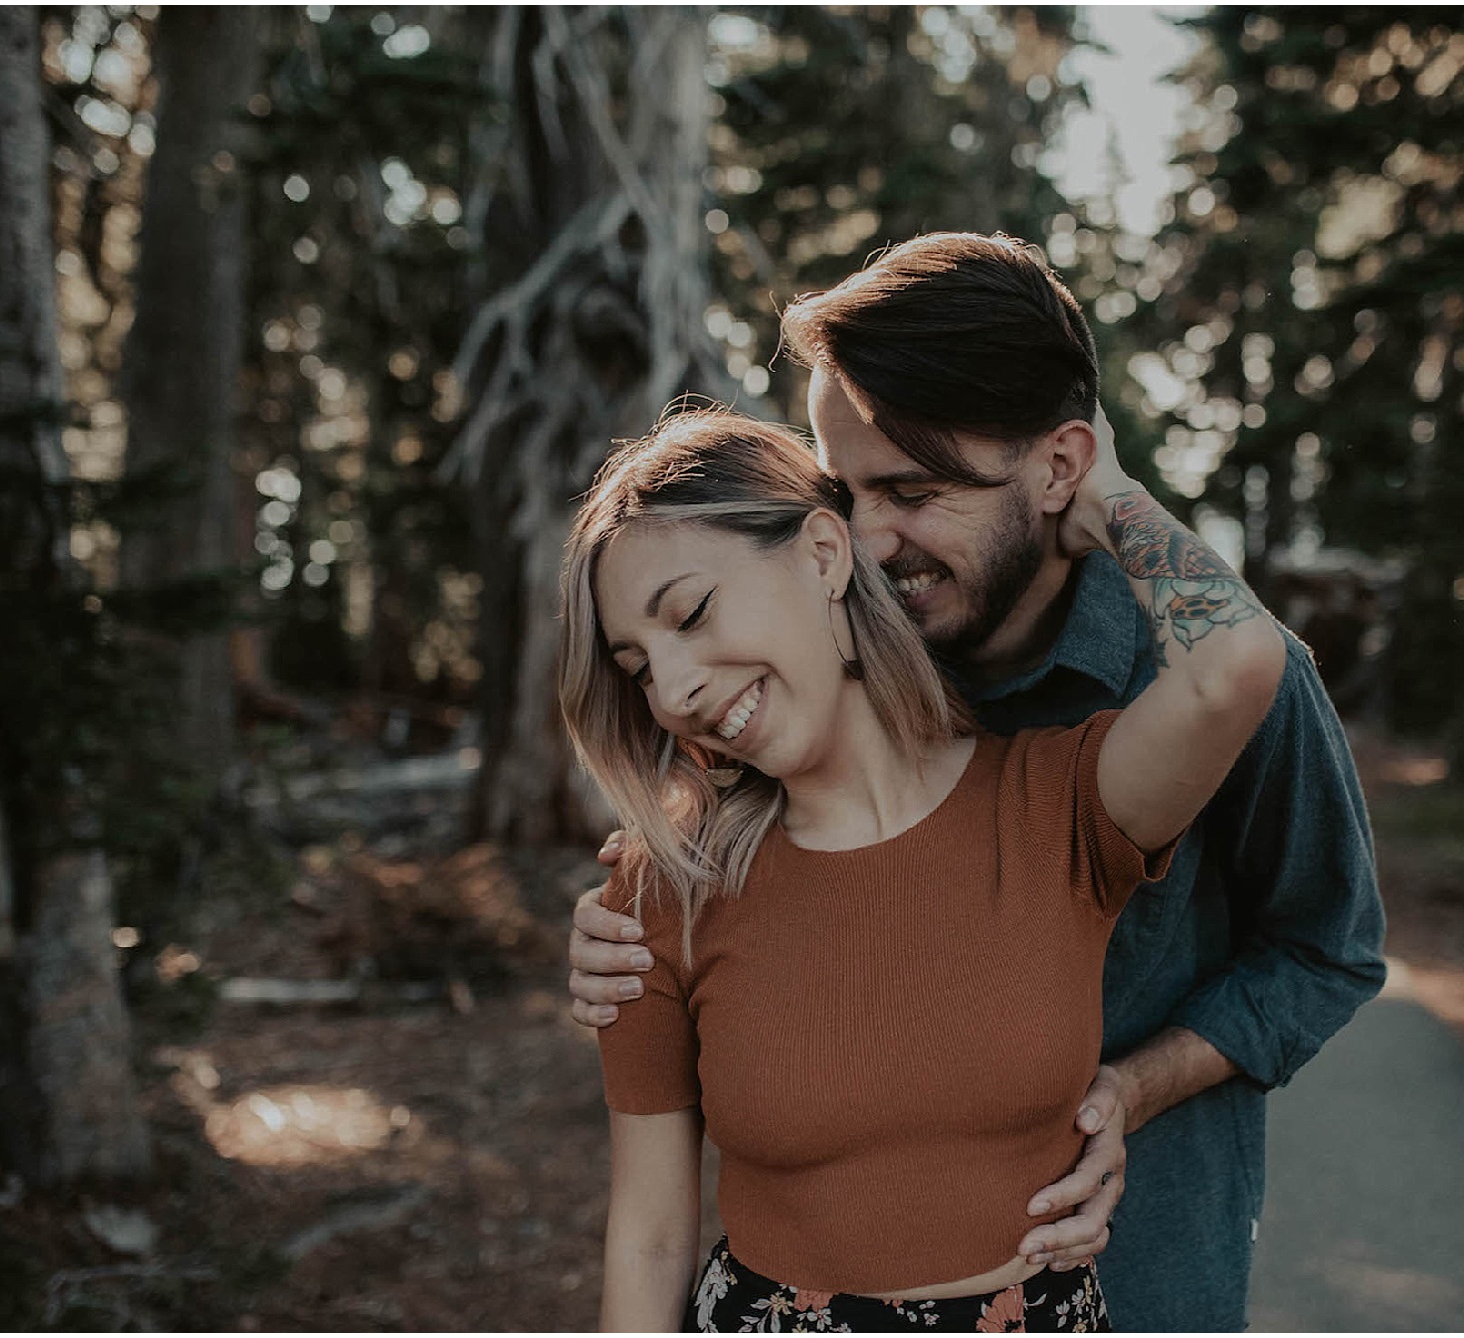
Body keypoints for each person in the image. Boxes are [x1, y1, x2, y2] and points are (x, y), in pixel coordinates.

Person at [569, 233, 1388, 1331]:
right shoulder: (853, 647)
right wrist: (637, 913)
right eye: (843, 490)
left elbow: (1321, 950)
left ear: (1058, 469)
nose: (867, 540)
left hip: (1135, 1242)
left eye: (910, 489)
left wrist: (1127, 1089)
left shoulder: (1172, 687)